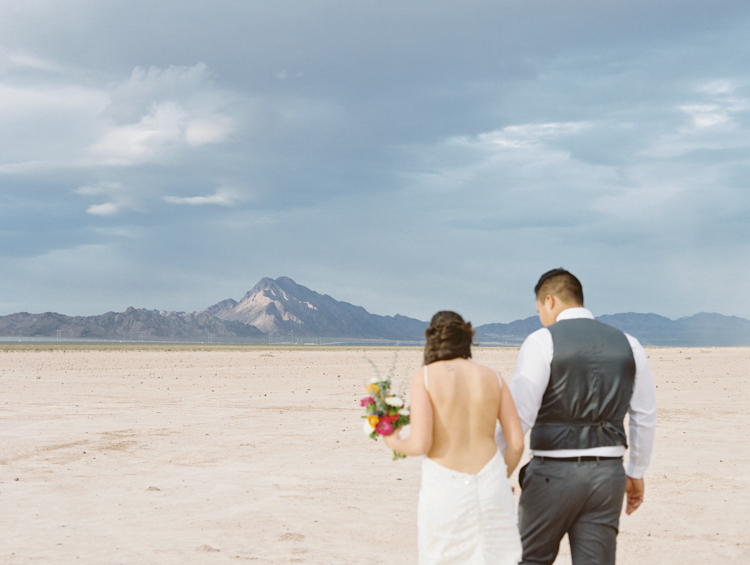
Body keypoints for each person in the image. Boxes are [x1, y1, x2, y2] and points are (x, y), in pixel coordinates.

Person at [502, 269, 657, 565]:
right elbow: (644, 416)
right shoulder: (630, 344)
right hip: (607, 476)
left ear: (549, 300)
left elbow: (520, 416)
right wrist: (636, 472)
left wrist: (495, 470)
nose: (541, 318)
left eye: (539, 311)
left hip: (552, 474)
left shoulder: (541, 341)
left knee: (531, 560)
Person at [384, 311, 524, 565]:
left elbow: (420, 444)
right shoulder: (494, 377)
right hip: (491, 481)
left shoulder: (425, 377)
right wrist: (499, 479)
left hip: (445, 487)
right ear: (466, 338)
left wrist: (391, 439)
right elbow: (516, 443)